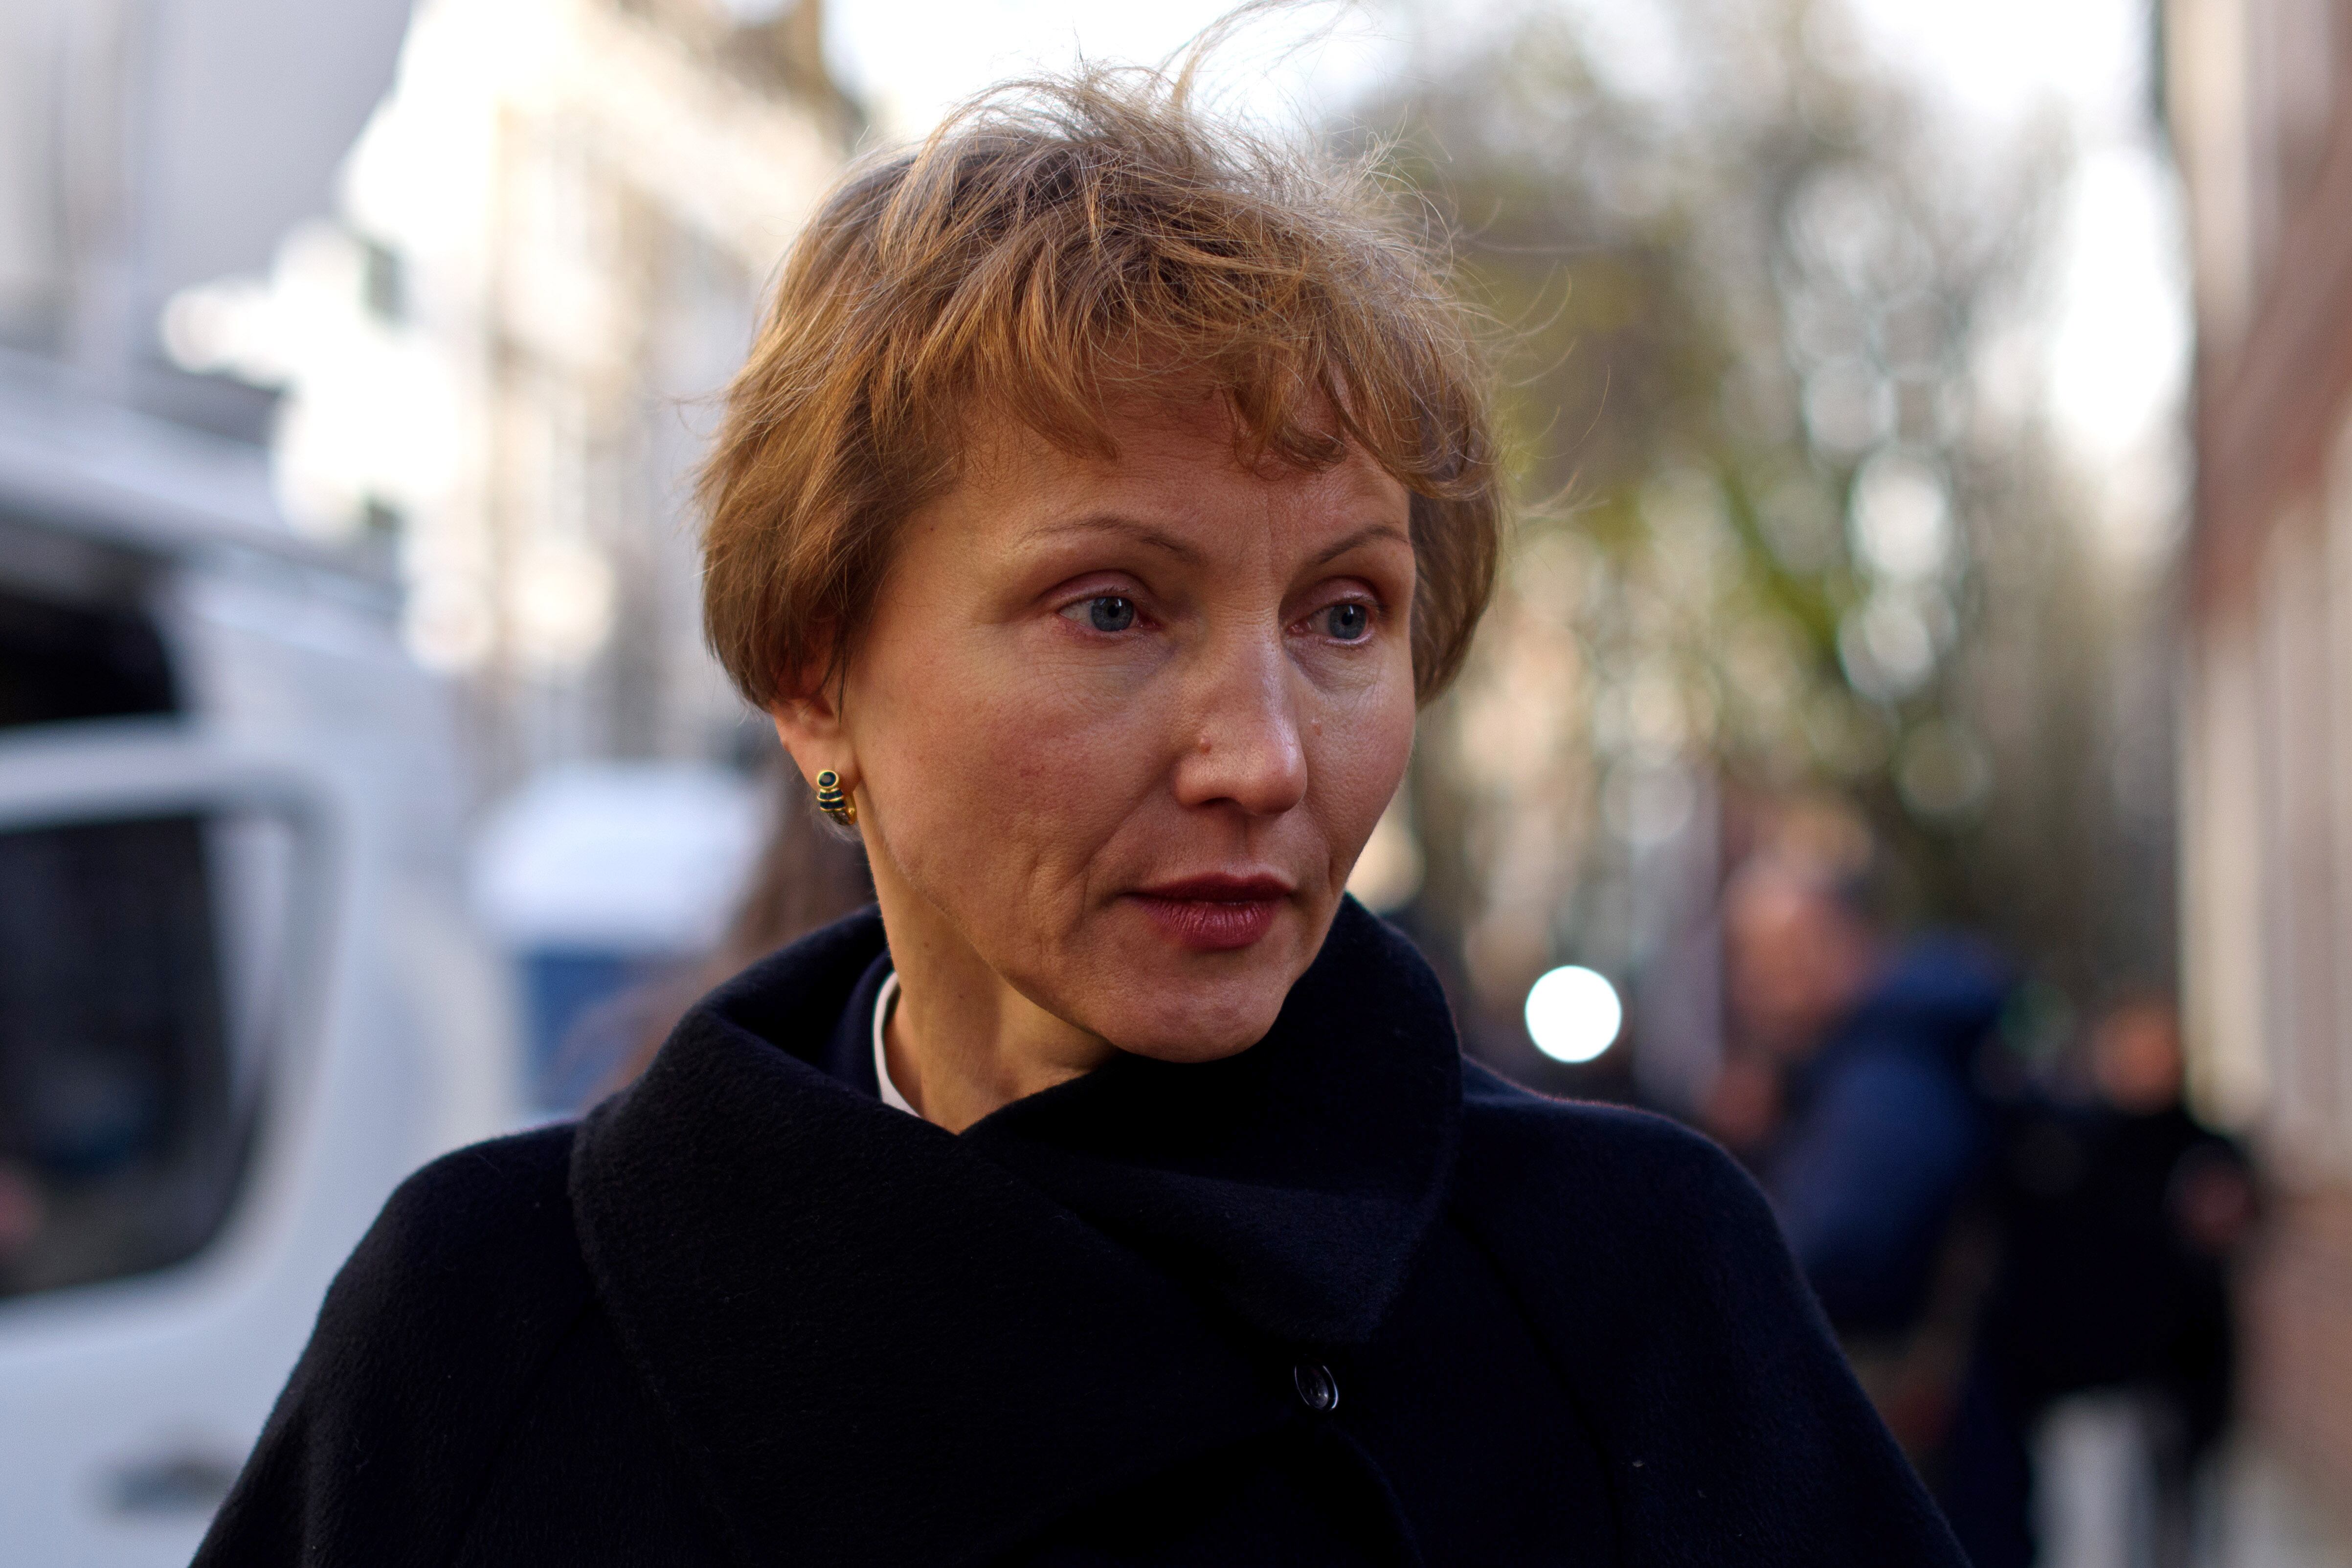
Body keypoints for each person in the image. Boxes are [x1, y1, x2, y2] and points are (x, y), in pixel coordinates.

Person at [195, 57, 1963, 1566]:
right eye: (1114, 606)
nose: (1260, 757)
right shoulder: (486, 1323)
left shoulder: (1627, 1291)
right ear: (819, 675)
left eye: (1344, 614)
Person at [1940, 995, 2253, 1568]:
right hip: (2085, 1380)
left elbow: (2239, 1210)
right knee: (2091, 1528)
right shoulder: (2067, 1143)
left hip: (2180, 1374)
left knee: (2178, 1522)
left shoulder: (2202, 1148)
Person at [1714, 846, 2010, 1451]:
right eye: (1748, 959)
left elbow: (1834, 1251)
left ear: (1849, 941)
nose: (1760, 984)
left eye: (1784, 953)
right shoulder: (1858, 1067)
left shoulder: (1886, 1080)